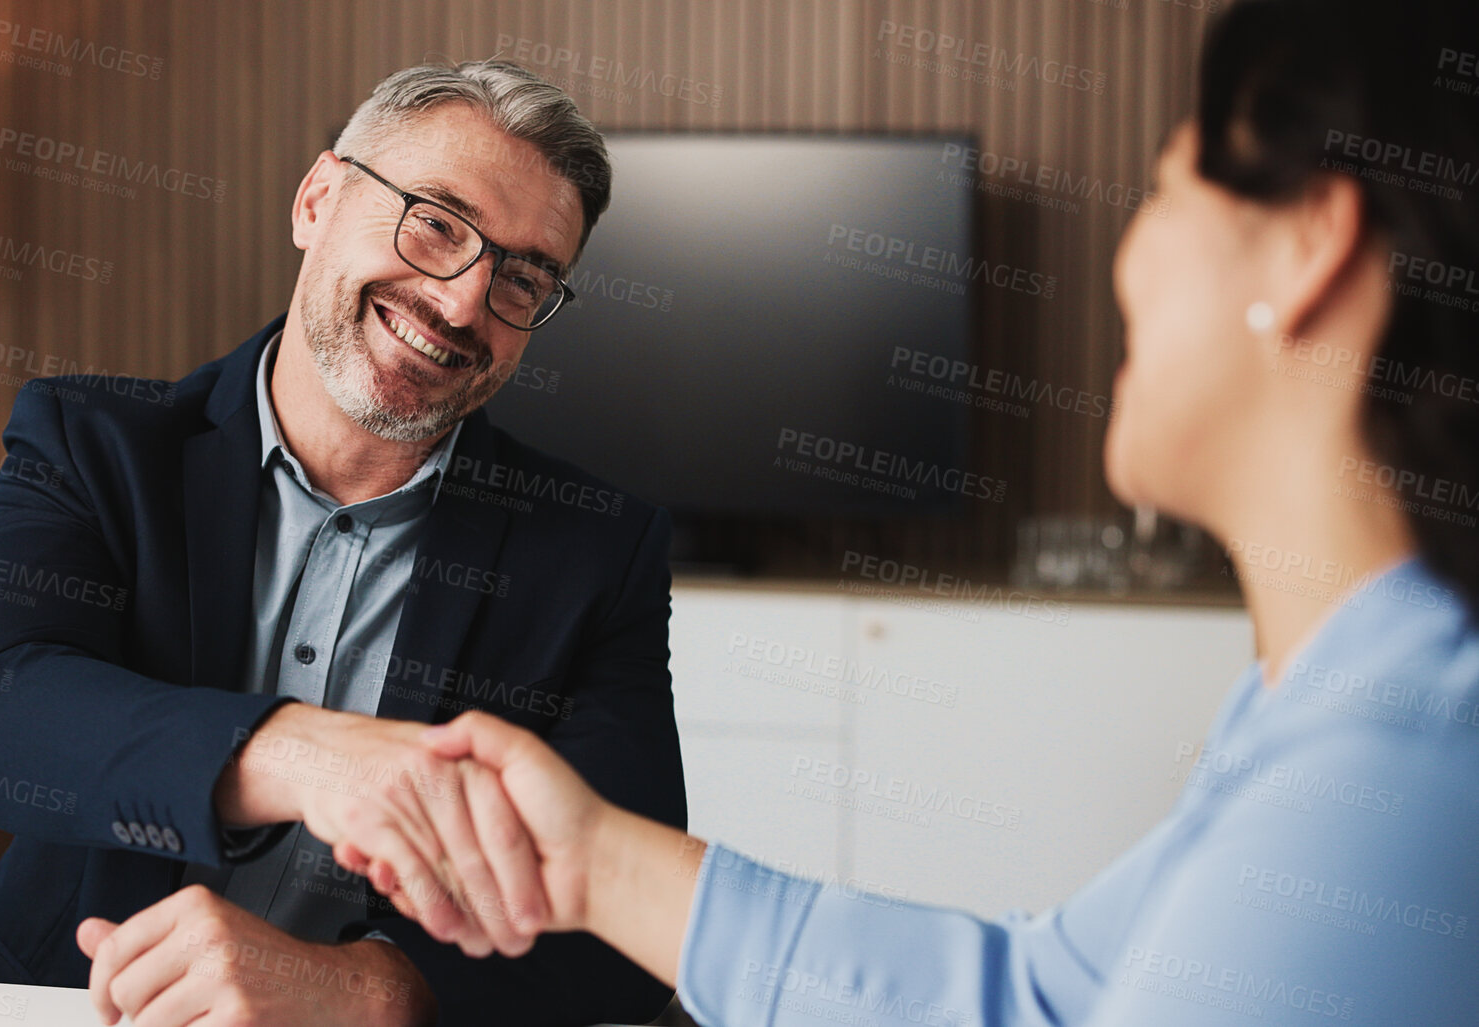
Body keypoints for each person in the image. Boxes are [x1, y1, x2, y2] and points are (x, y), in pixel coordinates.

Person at [338, 1, 1479, 1023]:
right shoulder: (1336, 718)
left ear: (1311, 244)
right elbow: (1035, 994)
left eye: (1169, 189)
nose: (1128, 254)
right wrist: (588, 859)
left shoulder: (1396, 783)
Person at [0, 61, 685, 1027]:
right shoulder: (93, 441)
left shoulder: (596, 549)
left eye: (523, 276)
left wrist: (368, 988)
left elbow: (637, 923)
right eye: (435, 223)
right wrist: (320, 758)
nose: (462, 303)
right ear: (317, 200)